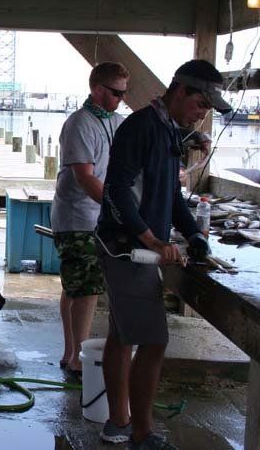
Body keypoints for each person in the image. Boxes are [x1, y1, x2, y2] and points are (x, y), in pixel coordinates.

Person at [96, 59, 228, 450]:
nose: (202, 115)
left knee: (123, 335)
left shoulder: (170, 131)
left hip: (139, 247)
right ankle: (141, 433)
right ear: (181, 90)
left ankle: (117, 423)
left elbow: (170, 196)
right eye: (201, 104)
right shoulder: (141, 127)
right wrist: (152, 240)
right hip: (125, 250)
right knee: (153, 341)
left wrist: (194, 234)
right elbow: (116, 191)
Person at [51, 62, 129, 376]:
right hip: (77, 216)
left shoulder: (118, 122)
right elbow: (85, 177)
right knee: (86, 289)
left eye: (125, 93)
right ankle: (78, 359)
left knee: (74, 286)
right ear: (97, 89)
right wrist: (120, 211)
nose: (121, 99)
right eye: (116, 93)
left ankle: (71, 353)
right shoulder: (79, 124)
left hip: (97, 216)